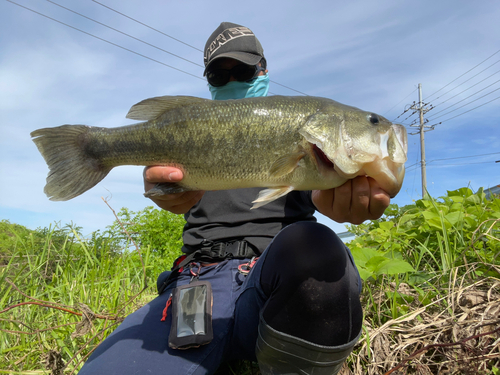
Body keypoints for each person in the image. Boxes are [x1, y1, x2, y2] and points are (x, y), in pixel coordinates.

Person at [79, 22, 390, 375]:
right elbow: (164, 183)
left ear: (263, 69)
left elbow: (322, 195)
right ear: (208, 81)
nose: (232, 81)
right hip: (199, 282)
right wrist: (164, 190)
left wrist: (342, 200)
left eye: (242, 70)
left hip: (276, 285)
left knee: (317, 245)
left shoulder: (315, 144)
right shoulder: (191, 128)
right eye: (218, 75)